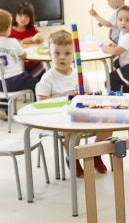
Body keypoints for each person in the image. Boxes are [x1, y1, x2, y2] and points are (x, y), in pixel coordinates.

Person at [36, 33, 107, 178]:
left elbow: (89, 94)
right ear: (50, 54)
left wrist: (86, 97)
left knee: (108, 124)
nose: (62, 57)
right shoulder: (48, 77)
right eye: (57, 53)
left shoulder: (79, 75)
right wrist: (64, 97)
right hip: (59, 117)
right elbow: (41, 101)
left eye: (67, 53)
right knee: (72, 131)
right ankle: (72, 158)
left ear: (73, 55)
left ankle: (96, 153)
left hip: (80, 113)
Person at [0, 8, 37, 101]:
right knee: (36, 83)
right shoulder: (13, 42)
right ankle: (36, 105)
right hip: (15, 81)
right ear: (8, 29)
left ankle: (2, 107)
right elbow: (23, 55)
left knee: (2, 78)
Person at [8, 3, 44, 76]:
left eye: (26, 17)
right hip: (18, 67)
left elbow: (40, 40)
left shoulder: (32, 30)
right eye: (20, 15)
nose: (23, 19)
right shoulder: (9, 32)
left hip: (34, 64)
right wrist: (31, 39)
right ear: (15, 15)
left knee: (42, 75)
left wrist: (40, 39)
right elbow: (16, 45)